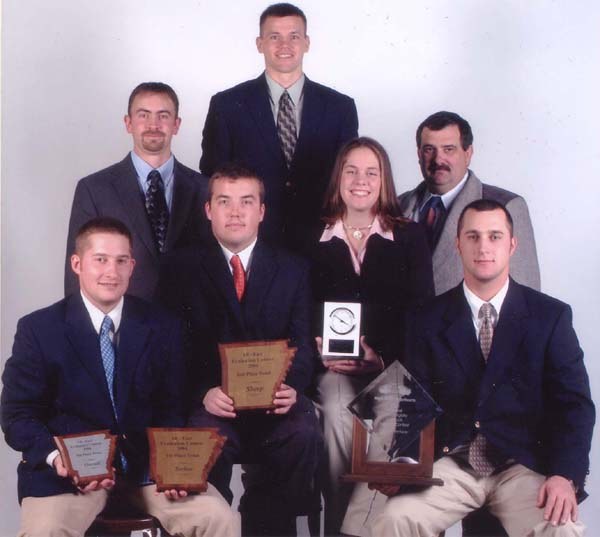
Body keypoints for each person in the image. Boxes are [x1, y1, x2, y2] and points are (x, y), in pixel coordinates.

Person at [1, 217, 238, 537]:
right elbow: (17, 415)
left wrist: (176, 467)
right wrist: (57, 457)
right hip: (68, 477)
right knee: (46, 531)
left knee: (220, 518)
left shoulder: (161, 325)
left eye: (121, 261)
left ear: (132, 266)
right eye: (100, 260)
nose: (111, 272)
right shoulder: (40, 329)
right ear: (77, 263)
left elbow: (172, 407)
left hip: (148, 471)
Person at [371, 200, 595, 537]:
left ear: (512, 245)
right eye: (473, 236)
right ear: (458, 244)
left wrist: (565, 475)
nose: (484, 247)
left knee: (563, 529)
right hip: (454, 464)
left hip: (521, 466)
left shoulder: (550, 317)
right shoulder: (425, 320)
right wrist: (402, 466)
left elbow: (575, 406)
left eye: (494, 236)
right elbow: (412, 407)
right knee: (396, 518)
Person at [157, 164, 323, 536]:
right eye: (225, 201)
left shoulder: (293, 269)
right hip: (213, 404)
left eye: (246, 202)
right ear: (208, 209)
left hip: (275, 406)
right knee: (201, 446)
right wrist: (203, 392)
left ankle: (264, 525)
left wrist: (291, 387)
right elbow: (170, 351)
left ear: (261, 211)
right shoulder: (179, 269)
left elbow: (302, 343)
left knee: (304, 435)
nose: (235, 212)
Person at [309, 137, 434, 535]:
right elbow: (300, 307)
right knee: (334, 417)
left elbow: (421, 317)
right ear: (338, 179)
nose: (360, 181)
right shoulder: (311, 235)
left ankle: (354, 529)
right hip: (335, 367)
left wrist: (379, 360)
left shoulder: (410, 237)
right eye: (351, 171)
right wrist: (319, 350)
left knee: (393, 414)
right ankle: (341, 518)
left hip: (392, 367)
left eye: (371, 172)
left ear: (385, 181)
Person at [200, 3, 358, 253]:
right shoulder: (228, 105)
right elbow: (212, 177)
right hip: (250, 245)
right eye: (274, 37)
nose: (285, 45)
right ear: (259, 43)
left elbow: (349, 179)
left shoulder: (340, 107)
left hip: (320, 244)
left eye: (294, 36)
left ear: (307, 42)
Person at [65, 82, 209, 301]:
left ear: (176, 125)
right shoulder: (94, 189)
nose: (154, 124)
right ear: (128, 123)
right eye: (143, 115)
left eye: (163, 115)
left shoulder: (205, 188)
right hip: (124, 322)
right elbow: (76, 272)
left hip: (190, 323)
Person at [398, 111, 540, 295]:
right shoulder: (397, 206)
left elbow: (526, 297)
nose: (438, 159)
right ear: (419, 154)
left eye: (449, 149)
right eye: (429, 149)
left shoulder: (507, 206)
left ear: (468, 153)